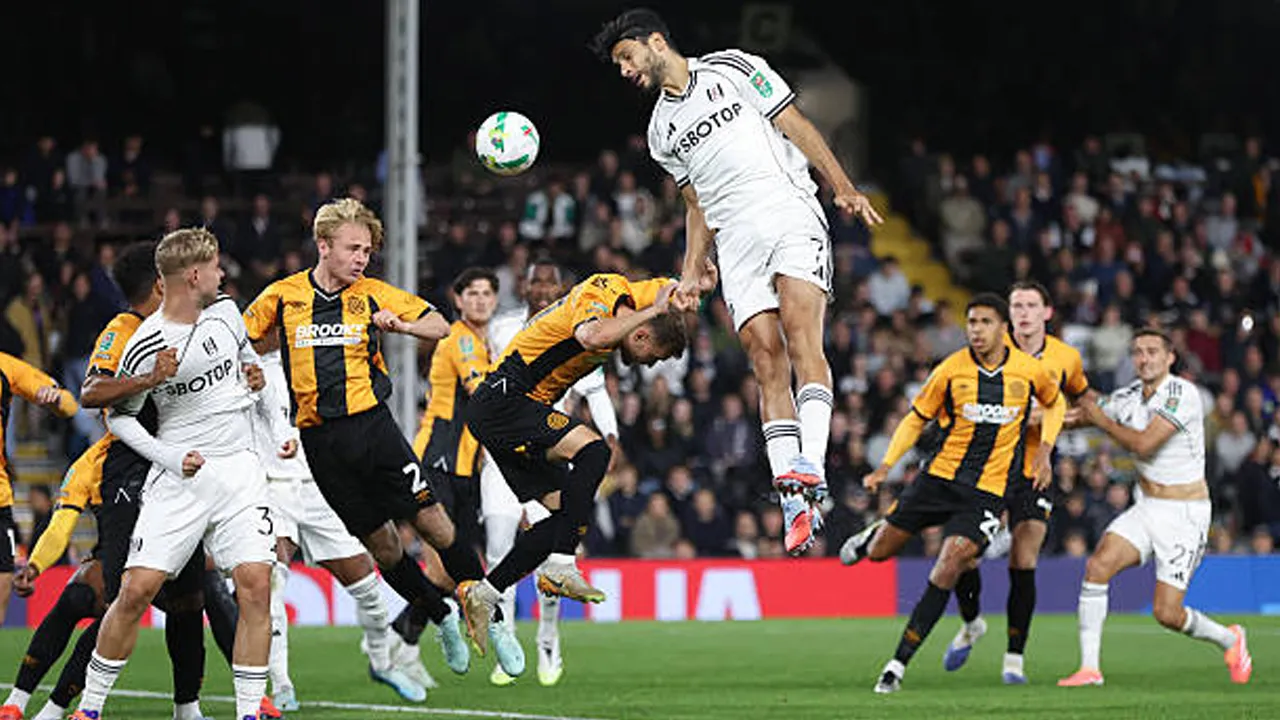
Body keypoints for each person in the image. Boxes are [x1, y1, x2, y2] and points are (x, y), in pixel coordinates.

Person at [591, 8, 884, 554]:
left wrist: (841, 185)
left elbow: (794, 124)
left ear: (656, 43)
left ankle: (810, 467)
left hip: (787, 208)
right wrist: (690, 270)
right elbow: (696, 203)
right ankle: (795, 504)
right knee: (765, 361)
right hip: (736, 243)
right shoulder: (660, 131)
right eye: (619, 66)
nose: (625, 71)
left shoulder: (735, 67)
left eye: (627, 59)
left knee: (801, 336)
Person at [6, 240, 260, 720]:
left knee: (190, 598)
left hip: (177, 468)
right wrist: (145, 380)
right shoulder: (124, 330)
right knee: (117, 594)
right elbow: (91, 393)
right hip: (130, 468)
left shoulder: (192, 326)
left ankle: (189, 708)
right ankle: (59, 707)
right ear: (162, 282)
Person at [242, 197, 473, 677]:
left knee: (434, 523)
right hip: (320, 444)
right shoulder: (283, 296)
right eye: (353, 249)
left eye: (367, 250)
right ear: (323, 246)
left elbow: (440, 323)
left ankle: (484, 607)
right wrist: (251, 368)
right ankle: (440, 615)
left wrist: (402, 325)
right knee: (385, 548)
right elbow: (242, 340)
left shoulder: (371, 292)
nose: (361, 258)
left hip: (374, 429)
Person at [71, 228, 295, 720]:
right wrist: (169, 455)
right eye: (216, 267)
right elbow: (120, 418)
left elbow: (253, 369)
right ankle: (88, 709)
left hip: (239, 473)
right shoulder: (145, 342)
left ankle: (247, 712)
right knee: (135, 591)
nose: (222, 274)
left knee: (256, 583)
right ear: (194, 275)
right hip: (180, 479)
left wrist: (275, 420)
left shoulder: (228, 314)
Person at [456, 270, 703, 655]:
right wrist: (652, 310)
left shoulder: (636, 300)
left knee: (562, 516)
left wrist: (692, 285)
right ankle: (562, 565)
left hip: (511, 414)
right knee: (595, 451)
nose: (648, 366)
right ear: (639, 334)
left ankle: (484, 593)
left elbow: (667, 287)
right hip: (504, 400)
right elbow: (590, 335)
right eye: (652, 356)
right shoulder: (604, 290)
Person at [837, 294, 1065, 693]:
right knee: (879, 554)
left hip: (987, 493)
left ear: (1003, 329)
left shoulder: (1028, 371)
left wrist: (1044, 452)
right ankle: (878, 533)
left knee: (950, 560)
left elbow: (1055, 401)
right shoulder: (951, 370)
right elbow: (916, 418)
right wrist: (887, 466)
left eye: (985, 322)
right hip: (938, 480)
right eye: (971, 322)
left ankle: (896, 666)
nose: (976, 330)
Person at [1058, 329, 1251, 687]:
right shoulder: (1130, 395)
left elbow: (1144, 444)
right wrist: (1040, 418)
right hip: (1147, 506)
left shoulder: (1183, 394)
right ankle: (1089, 669)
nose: (1143, 358)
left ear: (1169, 357)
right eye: (1137, 352)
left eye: (1151, 351)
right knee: (1098, 565)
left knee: (1167, 613)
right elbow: (1089, 412)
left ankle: (1230, 638)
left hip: (1185, 515)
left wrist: (1100, 420)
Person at [258, 335, 431, 709]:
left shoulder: (322, 361)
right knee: (271, 582)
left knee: (368, 586)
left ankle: (382, 663)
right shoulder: (250, 367)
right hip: (271, 487)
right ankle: (281, 684)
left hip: (322, 485)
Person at [480, 258, 622, 687]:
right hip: (502, 453)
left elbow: (594, 391)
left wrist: (611, 435)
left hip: (549, 452)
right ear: (523, 286)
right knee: (498, 548)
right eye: (536, 281)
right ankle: (504, 644)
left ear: (561, 288)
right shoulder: (500, 328)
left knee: (553, 549)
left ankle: (547, 638)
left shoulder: (577, 324)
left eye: (550, 282)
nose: (543, 289)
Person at [942, 281, 1092, 683]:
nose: (1023, 313)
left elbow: (1083, 401)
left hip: (1033, 472)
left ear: (1046, 312)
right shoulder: (990, 351)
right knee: (964, 556)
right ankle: (972, 623)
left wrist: (1068, 418)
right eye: (1016, 306)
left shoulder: (1066, 357)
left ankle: (1014, 660)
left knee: (1023, 559)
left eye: (1030, 305)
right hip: (986, 469)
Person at [407, 266, 527, 680]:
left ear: (496, 300)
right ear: (457, 300)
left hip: (466, 472)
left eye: (487, 294)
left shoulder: (482, 342)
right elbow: (483, 394)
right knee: (445, 568)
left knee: (449, 568)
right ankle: (428, 633)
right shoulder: (460, 339)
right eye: (471, 293)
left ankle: (400, 640)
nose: (479, 300)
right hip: (439, 463)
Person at [0, 354, 78, 625]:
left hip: (0, 499)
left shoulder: (6, 367)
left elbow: (69, 406)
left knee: (3, 583)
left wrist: (55, 399)